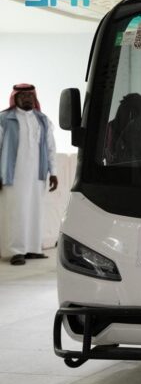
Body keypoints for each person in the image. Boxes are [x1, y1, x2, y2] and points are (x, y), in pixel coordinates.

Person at [0, 84, 58, 266]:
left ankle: (33, 249)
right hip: (12, 176)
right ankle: (15, 252)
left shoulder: (43, 120)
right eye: (23, 96)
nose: (27, 99)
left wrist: (53, 173)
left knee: (35, 211)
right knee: (15, 213)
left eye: (30, 96)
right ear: (15, 98)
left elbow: (51, 148)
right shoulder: (4, 119)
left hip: (37, 175)